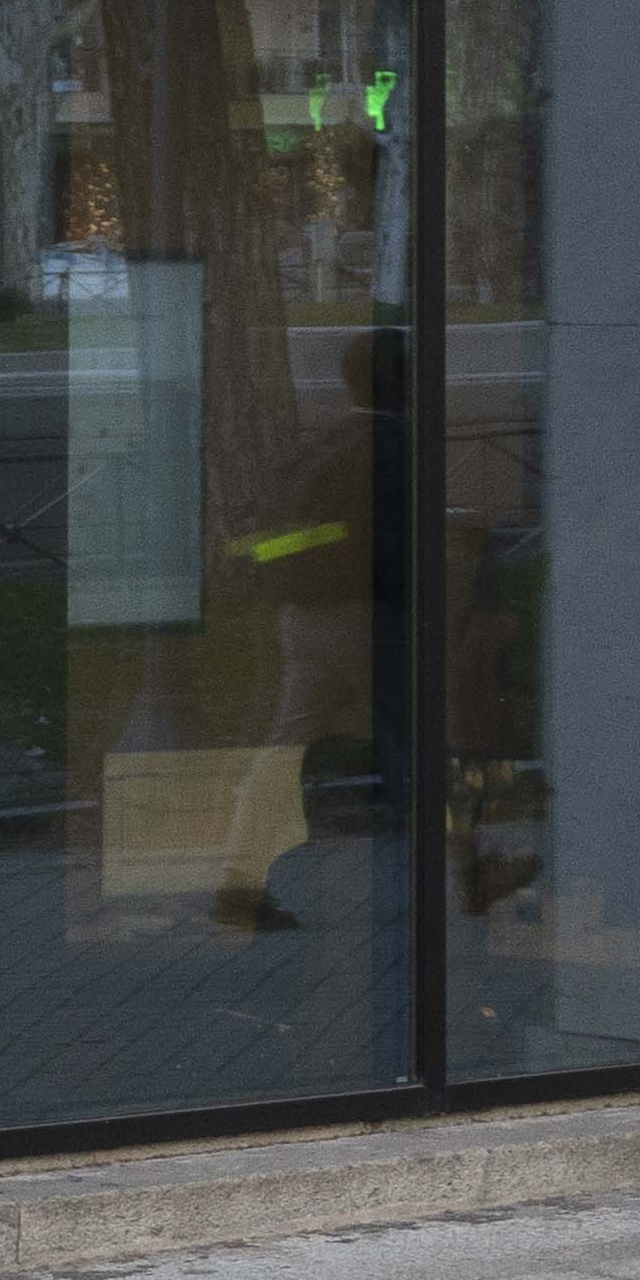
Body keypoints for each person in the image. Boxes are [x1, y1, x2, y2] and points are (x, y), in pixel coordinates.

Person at [212, 327, 403, 937]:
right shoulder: (393, 445)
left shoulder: (329, 440)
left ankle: (239, 882)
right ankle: (474, 861)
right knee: (427, 742)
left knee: (282, 750)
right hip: (362, 615)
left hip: (302, 615)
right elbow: (395, 544)